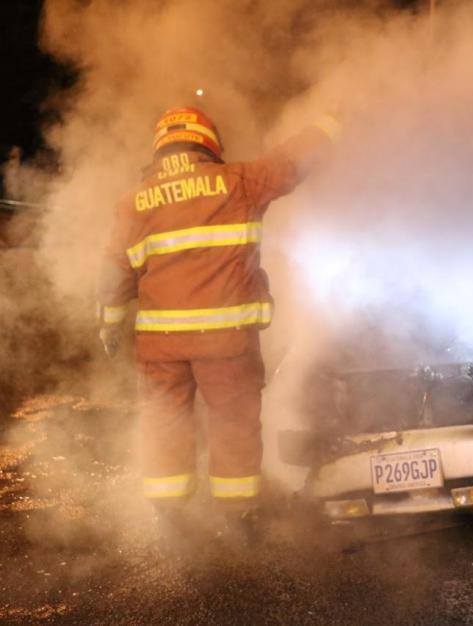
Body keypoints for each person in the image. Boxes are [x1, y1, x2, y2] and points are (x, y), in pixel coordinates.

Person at [96, 106, 339, 545]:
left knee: (164, 421)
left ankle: (169, 513)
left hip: (161, 345)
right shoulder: (237, 181)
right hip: (226, 341)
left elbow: (115, 271)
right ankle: (240, 516)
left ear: (162, 148)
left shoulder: (134, 201)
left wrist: (110, 326)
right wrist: (330, 123)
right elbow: (290, 162)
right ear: (207, 143)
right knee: (234, 422)